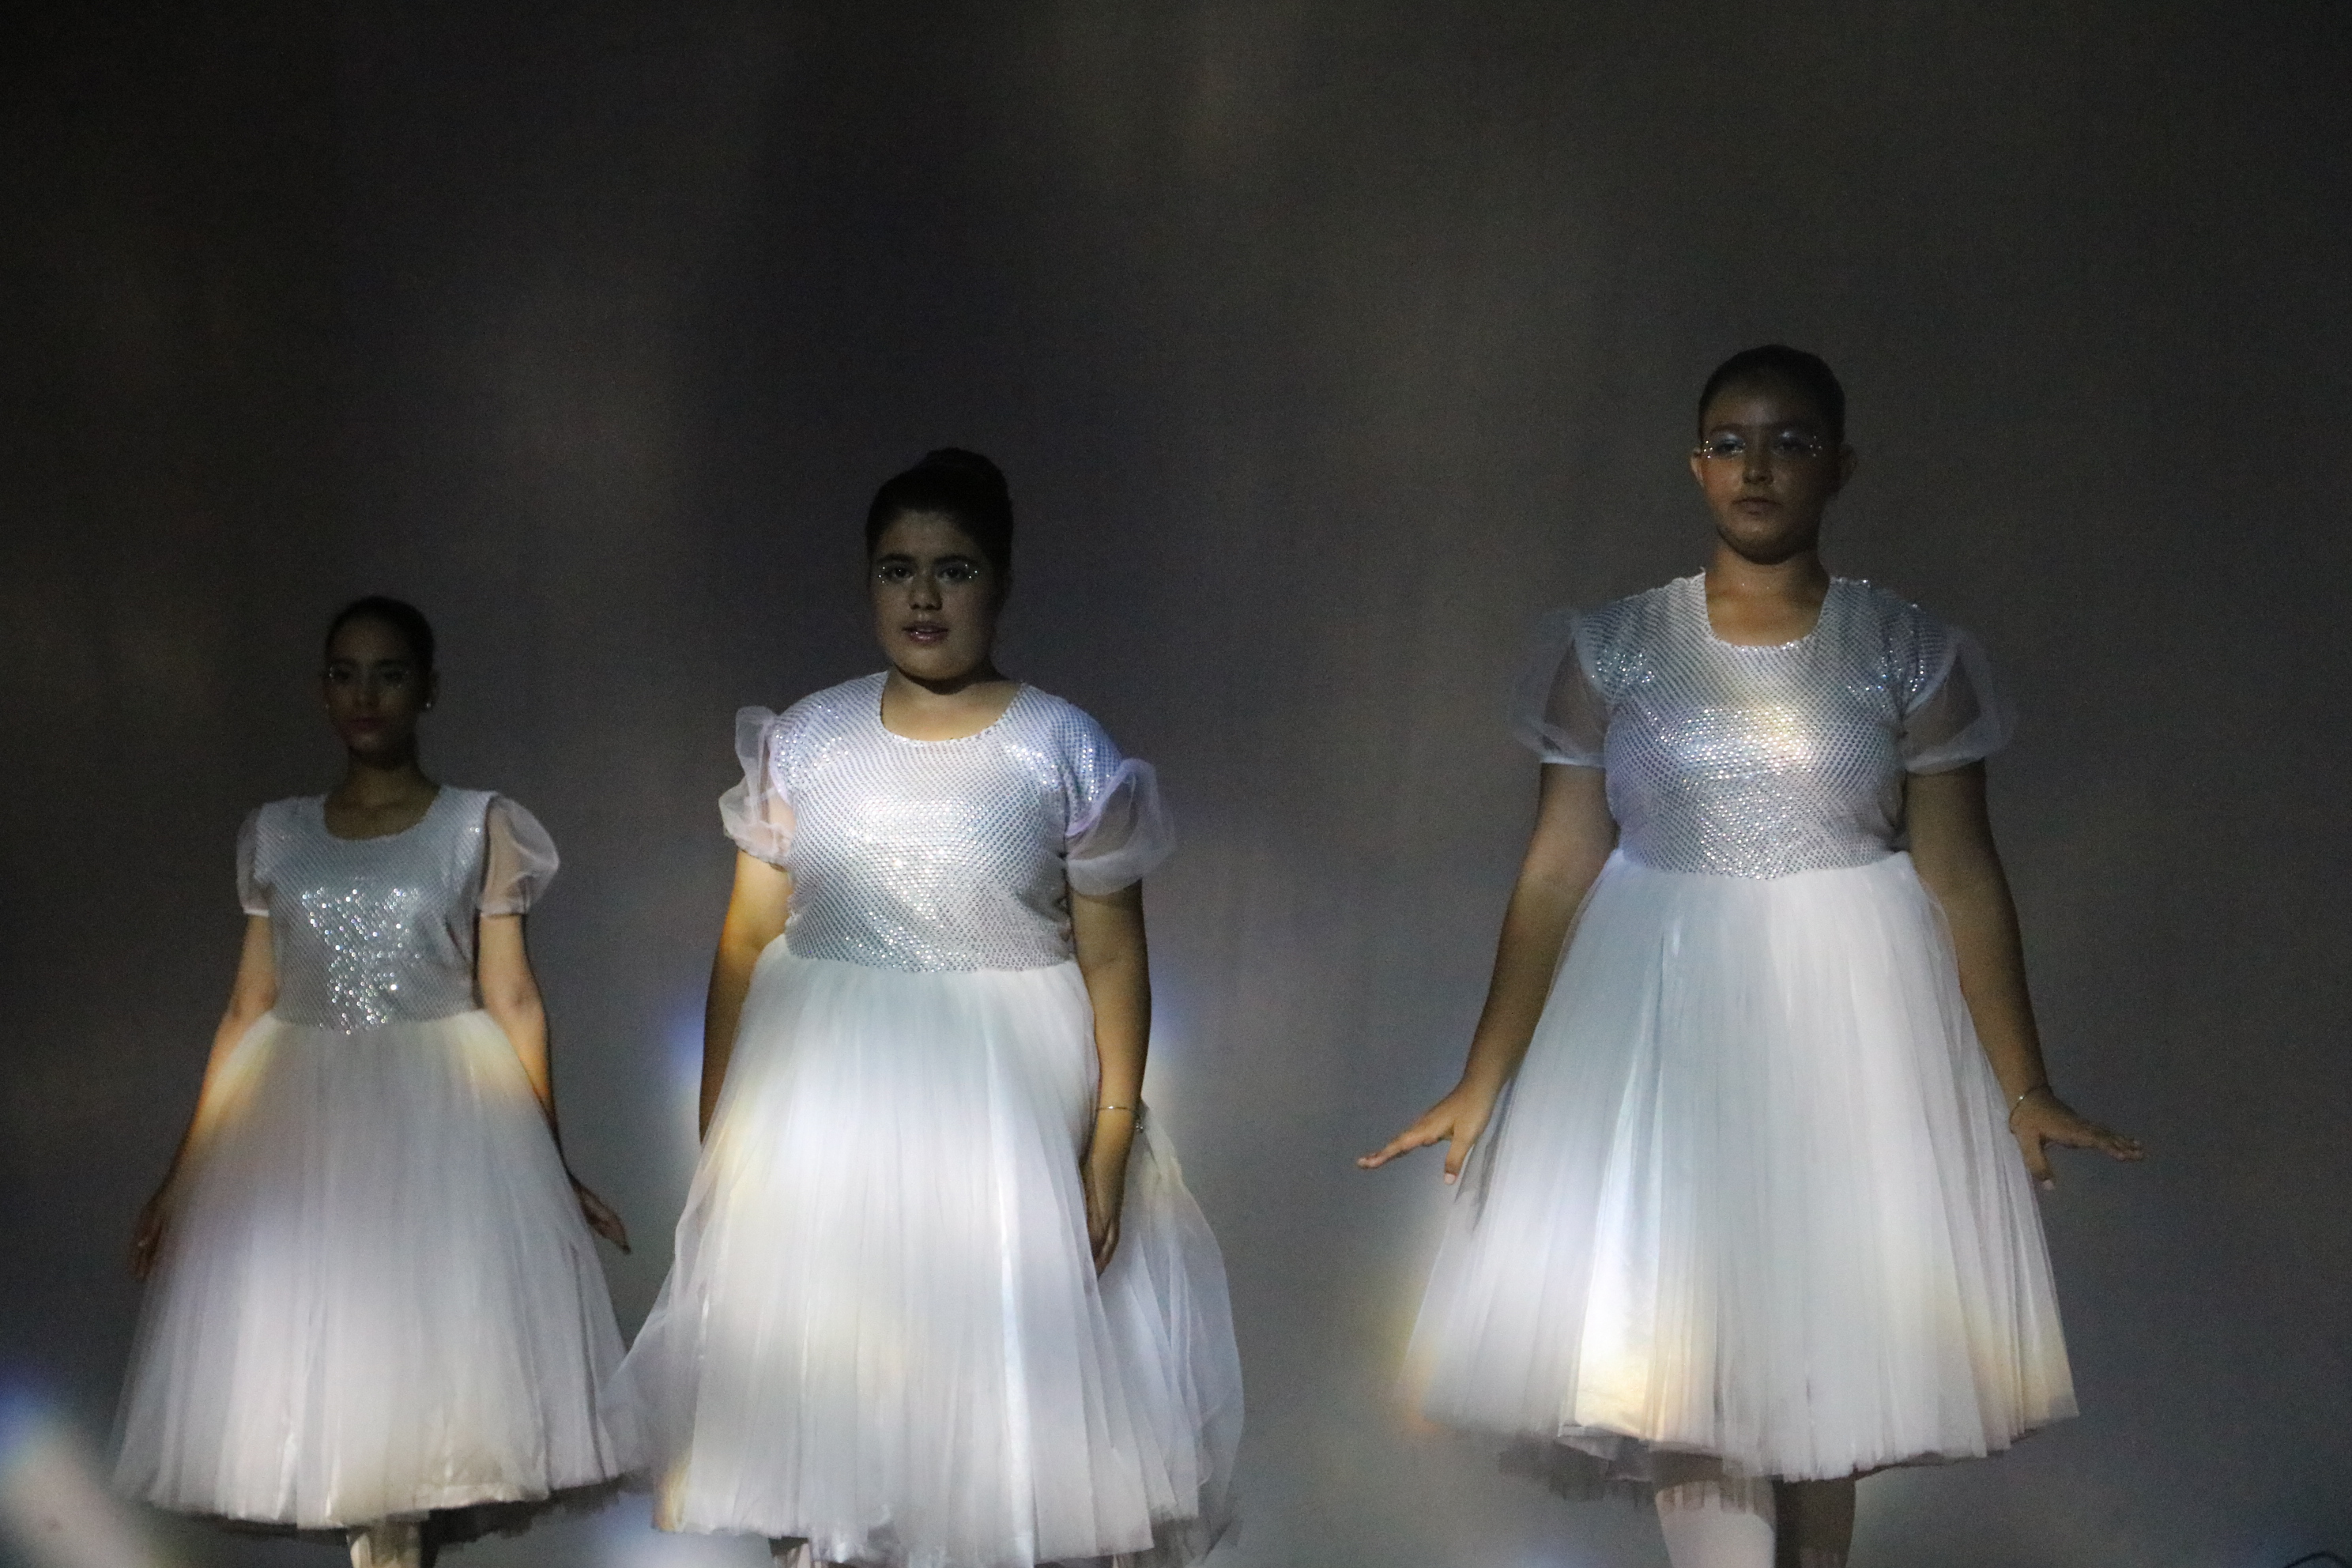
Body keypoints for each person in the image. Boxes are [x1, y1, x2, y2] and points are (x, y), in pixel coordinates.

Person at [1360, 348, 2143, 1567]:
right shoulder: (1618, 647)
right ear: (1696, 466)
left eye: (1789, 442)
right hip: (1663, 1016)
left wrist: (2023, 1083)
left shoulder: (1904, 649)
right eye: (1729, 443)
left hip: (1847, 1024)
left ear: (1840, 466)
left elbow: (1961, 874)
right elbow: (1557, 868)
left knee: (1821, 1357)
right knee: (1681, 1353)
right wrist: (1485, 1074)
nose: (1757, 467)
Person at [616, 449, 1242, 1567]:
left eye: (953, 569)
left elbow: (1114, 959)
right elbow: (748, 938)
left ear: (1000, 581)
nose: (922, 595)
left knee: (984, 1401)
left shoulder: (1059, 744)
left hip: (998, 1116)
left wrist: (1108, 1143)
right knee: (828, 1389)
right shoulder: (808, 738)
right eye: (897, 569)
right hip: (822, 1108)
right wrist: (722, 1125)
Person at [115, 597, 638, 1568]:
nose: (365, 694)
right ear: (322, 689)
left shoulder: (476, 825)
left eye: (389, 672)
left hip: (444, 1127)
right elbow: (248, 1007)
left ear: (427, 688)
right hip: (300, 1134)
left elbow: (514, 998)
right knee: (334, 1378)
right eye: (345, 673)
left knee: (426, 1387)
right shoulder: (276, 834)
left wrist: (547, 1167)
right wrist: (182, 1175)